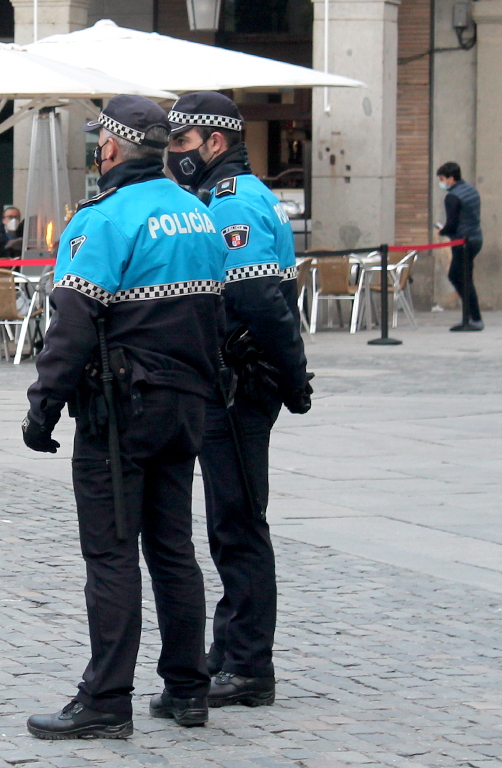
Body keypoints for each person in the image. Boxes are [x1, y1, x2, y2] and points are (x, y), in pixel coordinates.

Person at [22, 95, 227, 739]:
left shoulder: (103, 220)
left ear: (109, 147)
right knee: (174, 549)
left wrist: (42, 407)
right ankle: (189, 688)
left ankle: (107, 699)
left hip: (121, 412)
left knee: (111, 553)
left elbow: (73, 322)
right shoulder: (199, 215)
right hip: (186, 405)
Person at [165, 91, 312, 709]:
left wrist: (294, 377)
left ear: (215, 143)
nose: (173, 155)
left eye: (181, 142)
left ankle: (249, 665)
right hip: (230, 380)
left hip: (240, 383)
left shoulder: (236, 201)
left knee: (240, 522)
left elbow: (258, 301)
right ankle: (231, 650)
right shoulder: (227, 196)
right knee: (229, 521)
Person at [437, 162, 484, 331]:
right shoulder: (471, 190)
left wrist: (441, 231)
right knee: (463, 277)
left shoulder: (453, 197)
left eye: (442, 179)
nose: (441, 183)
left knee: (460, 277)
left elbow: (452, 223)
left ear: (450, 178)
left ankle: (474, 317)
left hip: (463, 242)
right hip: (476, 238)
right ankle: (471, 316)